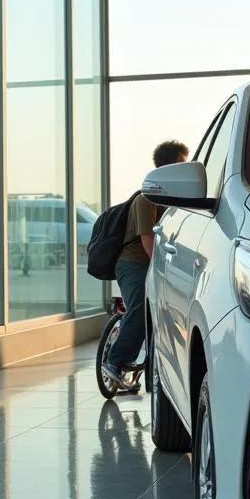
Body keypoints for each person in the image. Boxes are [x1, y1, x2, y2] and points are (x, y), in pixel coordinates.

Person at [102, 140, 188, 392]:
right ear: (168, 167)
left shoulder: (176, 201)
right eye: (182, 164)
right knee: (141, 307)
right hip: (133, 264)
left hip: (156, 264)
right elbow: (148, 242)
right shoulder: (146, 199)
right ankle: (115, 361)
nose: (187, 170)